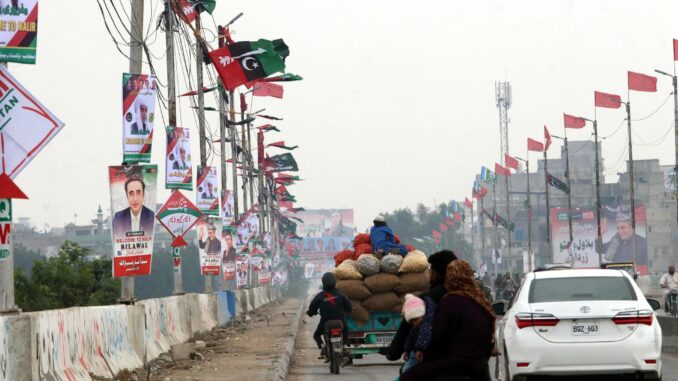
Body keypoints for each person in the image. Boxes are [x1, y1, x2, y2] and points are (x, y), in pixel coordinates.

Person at [400, 260, 495, 381]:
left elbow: (438, 336)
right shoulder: (481, 301)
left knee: (408, 376)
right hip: (479, 365)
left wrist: (424, 352)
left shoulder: (450, 301)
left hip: (456, 364)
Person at [386, 249, 458, 360]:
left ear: (436, 273)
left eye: (430, 270)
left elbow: (406, 329)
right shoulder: (472, 296)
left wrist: (394, 352)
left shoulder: (426, 299)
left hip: (433, 357)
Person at [306, 272, 352, 357]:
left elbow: (312, 309)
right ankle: (345, 346)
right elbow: (349, 307)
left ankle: (323, 347)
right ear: (335, 282)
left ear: (323, 282)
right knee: (345, 331)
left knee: (316, 335)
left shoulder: (319, 296)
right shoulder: (341, 295)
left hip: (325, 322)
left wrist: (310, 313)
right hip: (340, 321)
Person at [394, 294, 436, 381]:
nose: (415, 323)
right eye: (412, 321)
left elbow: (424, 335)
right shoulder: (417, 324)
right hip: (415, 352)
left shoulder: (426, 322)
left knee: (407, 371)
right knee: (407, 370)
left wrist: (419, 349)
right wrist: (407, 350)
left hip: (420, 352)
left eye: (416, 320)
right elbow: (411, 337)